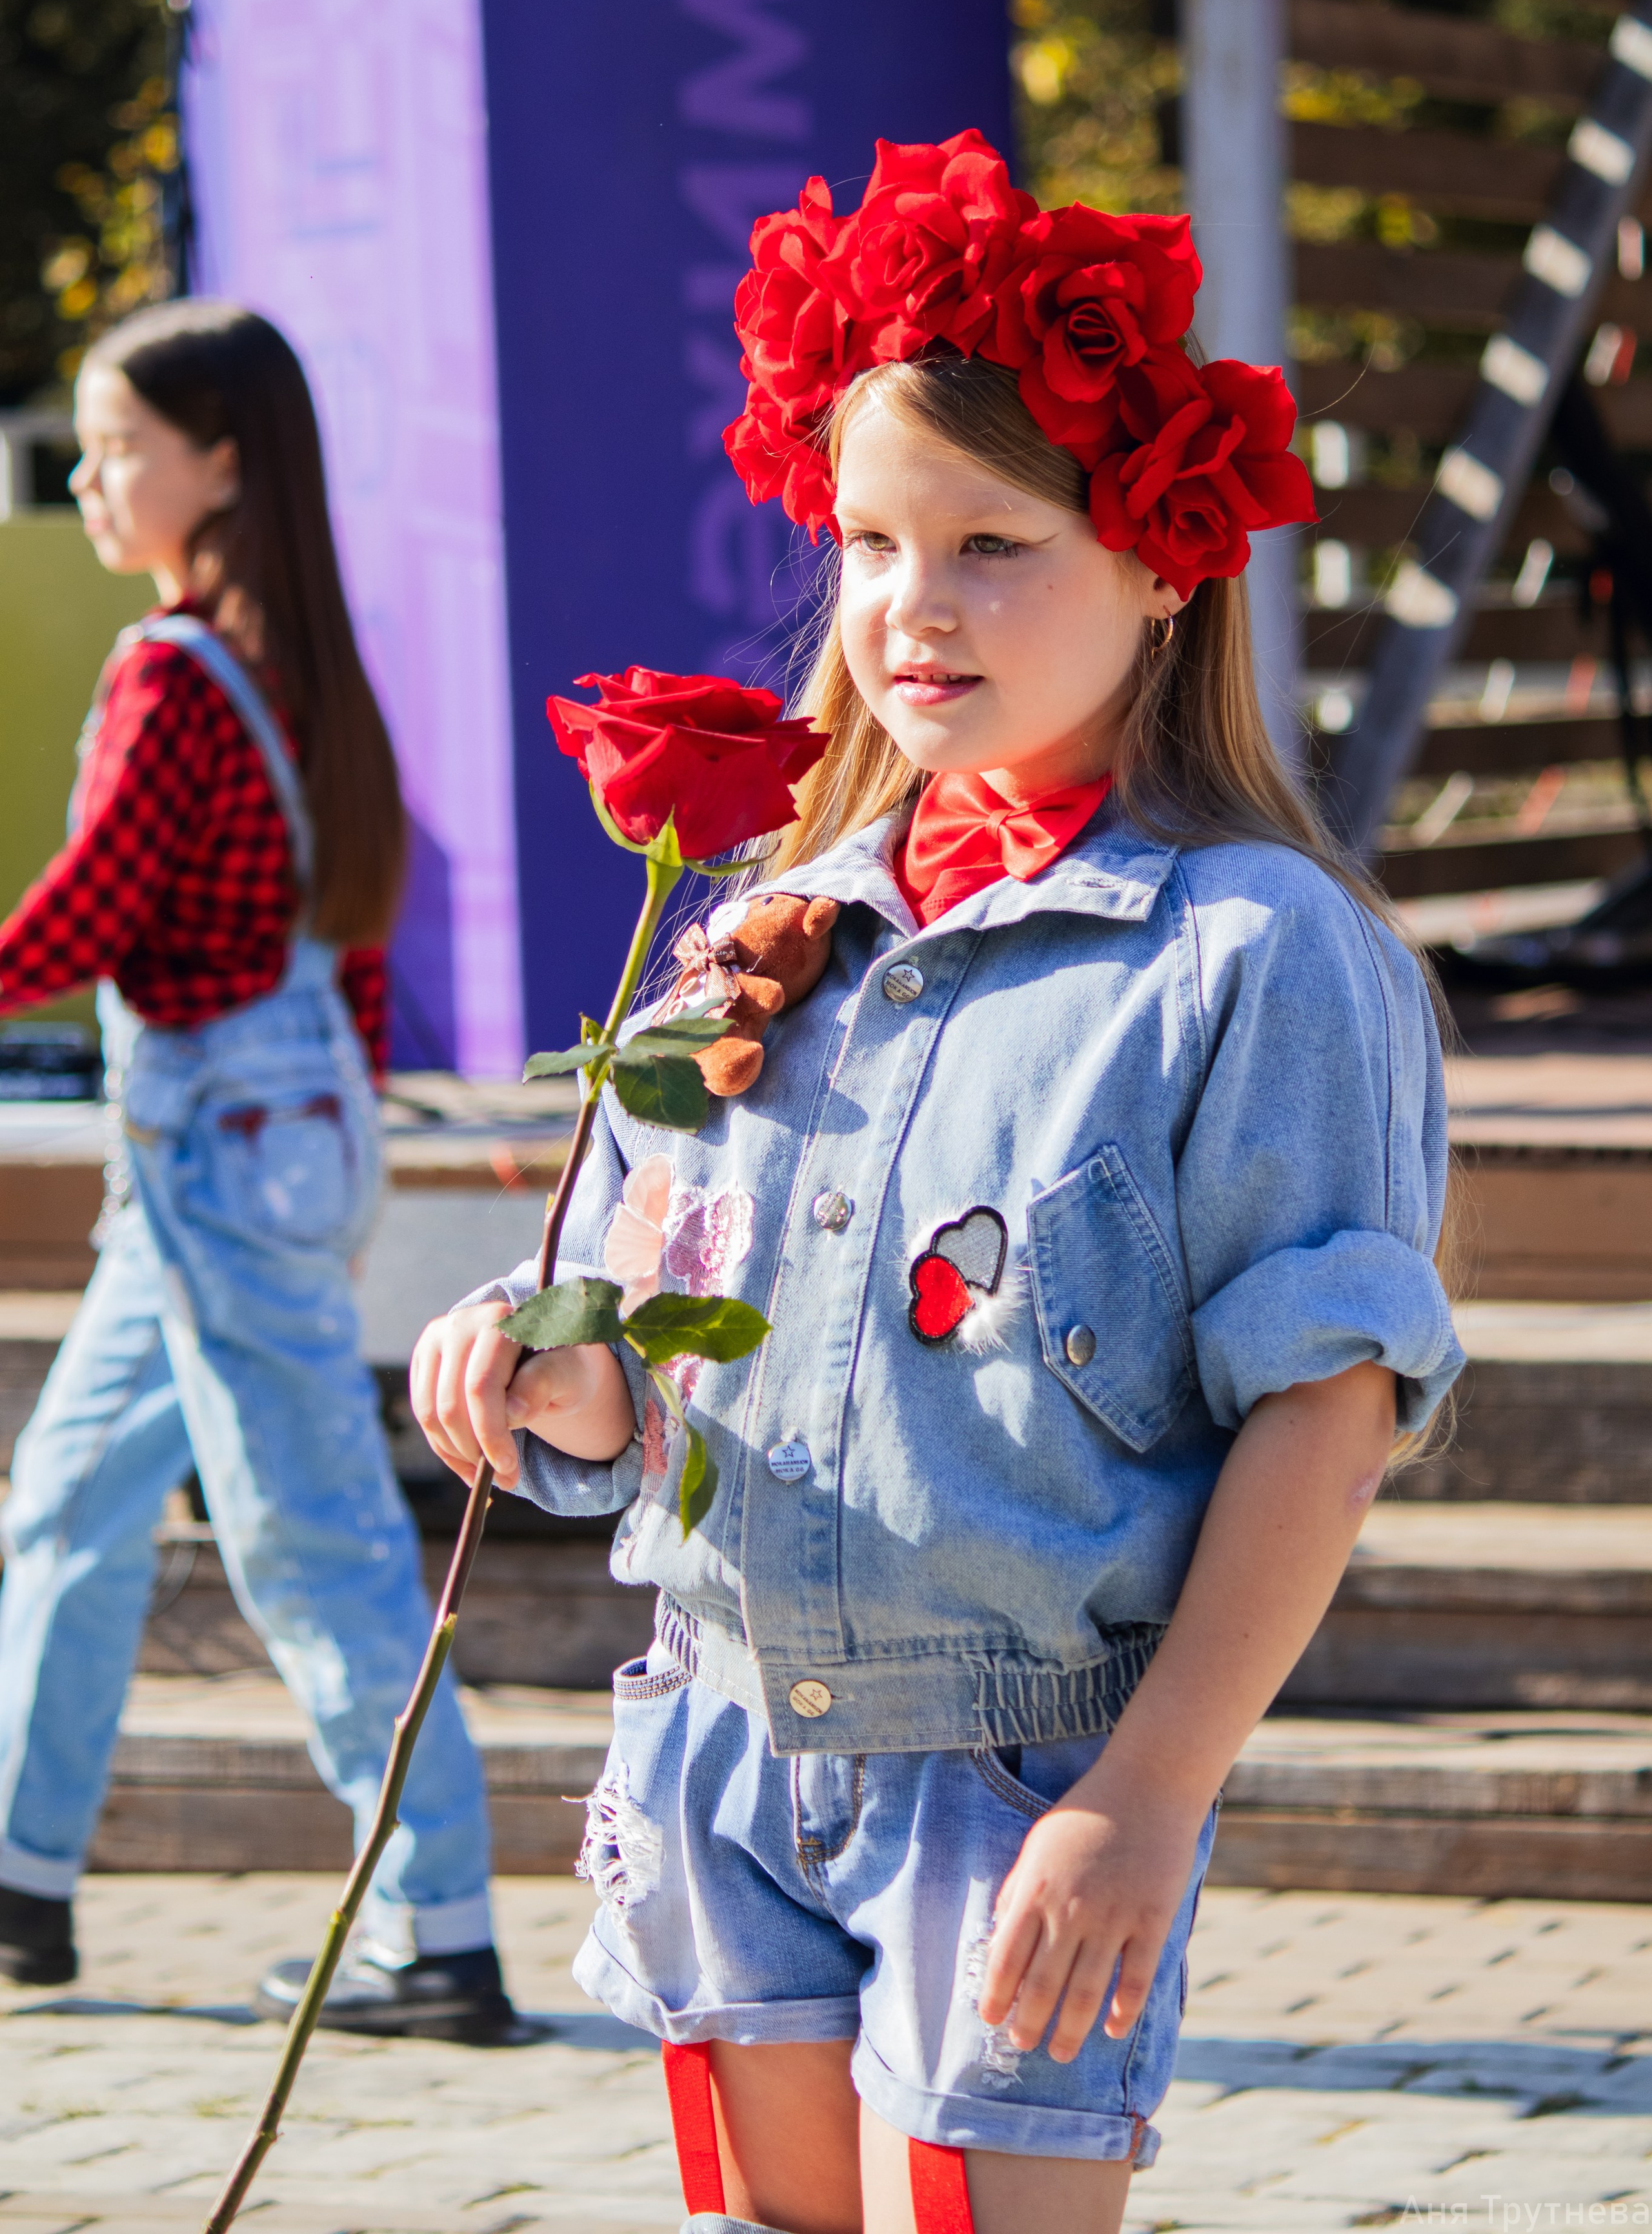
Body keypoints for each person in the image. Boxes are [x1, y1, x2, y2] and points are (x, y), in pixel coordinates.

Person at [410, 134, 1463, 2230]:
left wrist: (1149, 1796)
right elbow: (652, 1392)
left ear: (1160, 554)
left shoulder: (1253, 957)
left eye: (996, 541)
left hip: (1026, 1769)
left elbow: (1326, 1408)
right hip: (716, 1742)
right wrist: (549, 1380)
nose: (915, 604)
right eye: (877, 540)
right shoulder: (754, 936)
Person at [0, 299, 509, 2040]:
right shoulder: (300, 668)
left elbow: (94, 909)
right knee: (66, 1503)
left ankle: (435, 1924)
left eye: (119, 442)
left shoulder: (174, 674)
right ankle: (17, 1882)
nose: (89, 475)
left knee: (312, 1542)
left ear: (222, 460)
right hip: (257, 1149)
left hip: (216, 1150)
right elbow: (351, 946)